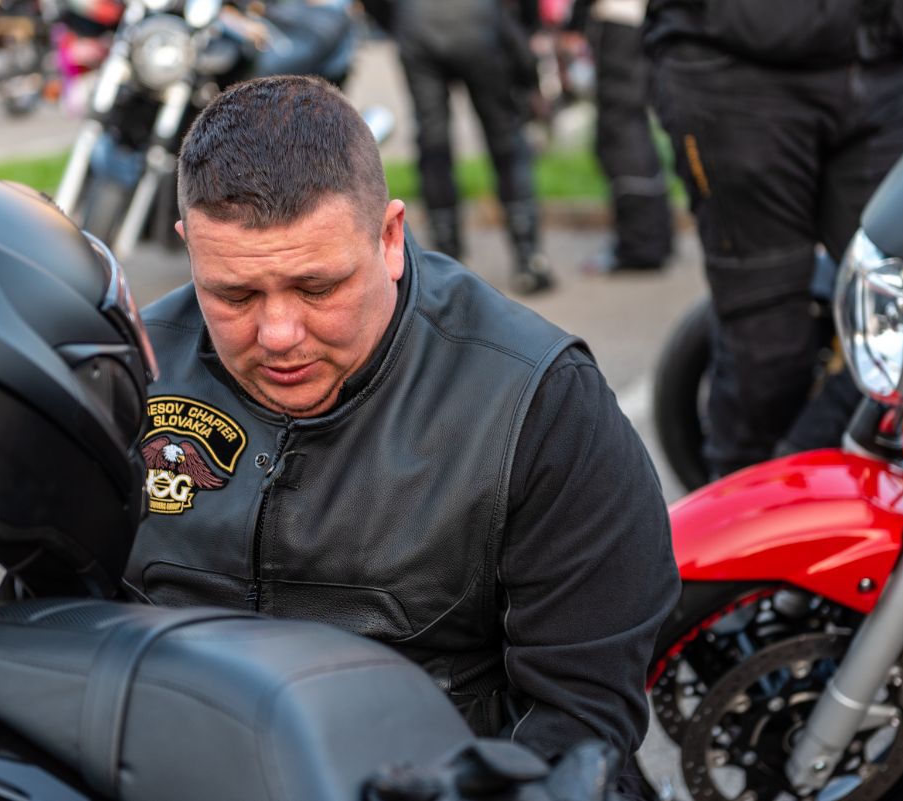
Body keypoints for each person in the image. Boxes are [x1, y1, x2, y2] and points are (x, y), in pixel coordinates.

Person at [123, 75, 679, 787]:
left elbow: (580, 723)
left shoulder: (537, 402)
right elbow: (49, 624)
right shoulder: (126, 369)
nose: (278, 333)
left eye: (318, 287)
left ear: (390, 237)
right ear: (189, 249)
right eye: (234, 294)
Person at [644, 0, 903, 476]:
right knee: (768, 353)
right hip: (735, 68)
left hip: (879, 62)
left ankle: (799, 474)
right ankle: (755, 504)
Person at [362, 0, 555, 295]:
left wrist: (398, 20)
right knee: (505, 138)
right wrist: (529, 25)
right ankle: (530, 259)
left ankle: (444, 265)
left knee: (434, 144)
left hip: (417, 23)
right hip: (480, 18)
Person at [565, 0, 673, 274]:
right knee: (632, 123)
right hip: (642, 19)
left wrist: (575, 23)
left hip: (619, 22)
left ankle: (640, 245)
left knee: (620, 128)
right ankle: (656, 237)